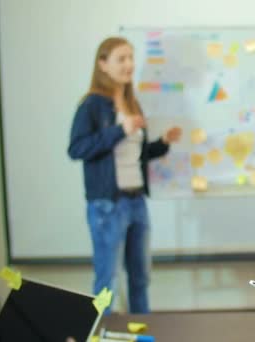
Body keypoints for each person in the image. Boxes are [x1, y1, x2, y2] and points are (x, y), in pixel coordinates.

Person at [68, 37, 182, 313]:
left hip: (136, 202)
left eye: (131, 57)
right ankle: (101, 332)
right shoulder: (92, 105)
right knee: (107, 280)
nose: (129, 64)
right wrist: (121, 130)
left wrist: (162, 143)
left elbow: (136, 154)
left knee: (141, 278)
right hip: (107, 205)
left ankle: (142, 328)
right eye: (121, 59)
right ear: (103, 64)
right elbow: (77, 148)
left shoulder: (132, 103)